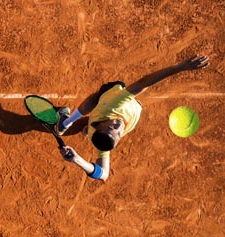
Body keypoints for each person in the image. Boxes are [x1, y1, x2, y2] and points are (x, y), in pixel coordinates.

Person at [56, 54, 209, 182]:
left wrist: (179, 67)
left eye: (111, 127)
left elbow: (144, 82)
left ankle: (66, 122)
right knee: (92, 132)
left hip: (109, 96)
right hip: (105, 123)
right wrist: (76, 159)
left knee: (96, 98)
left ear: (100, 124)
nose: (118, 126)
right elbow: (104, 174)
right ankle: (87, 130)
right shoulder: (105, 142)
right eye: (118, 134)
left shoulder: (114, 103)